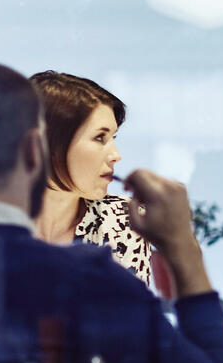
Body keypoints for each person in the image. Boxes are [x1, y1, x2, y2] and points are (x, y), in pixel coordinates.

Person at [30, 70, 152, 286]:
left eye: (113, 138)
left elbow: (133, 318)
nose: (116, 155)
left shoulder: (126, 222)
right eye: (99, 138)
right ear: (49, 142)